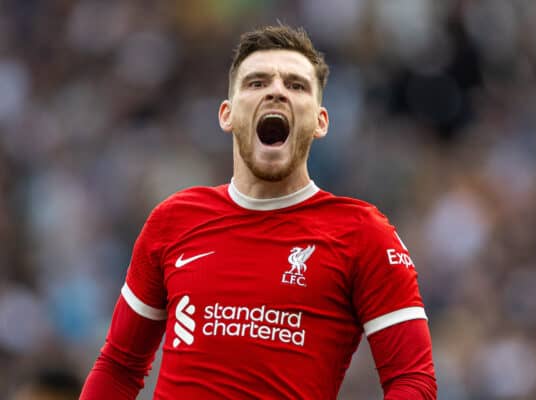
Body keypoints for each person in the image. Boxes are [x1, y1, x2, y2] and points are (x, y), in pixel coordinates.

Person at [80, 24, 437, 399]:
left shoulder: (362, 233)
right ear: (227, 115)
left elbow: (412, 380)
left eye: (296, 85)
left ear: (320, 121)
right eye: (257, 82)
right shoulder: (173, 220)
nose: (276, 92)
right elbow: (119, 367)